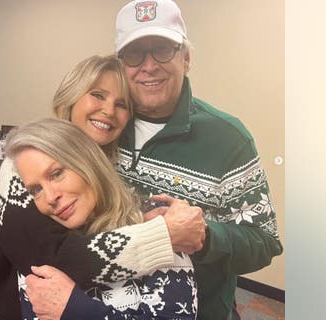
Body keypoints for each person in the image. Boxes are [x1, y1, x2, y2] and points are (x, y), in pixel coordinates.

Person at [25, 1, 283, 319]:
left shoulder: (228, 138)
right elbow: (41, 168)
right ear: (121, 65)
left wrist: (204, 235)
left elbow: (264, 242)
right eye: (135, 54)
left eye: (162, 49)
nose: (148, 66)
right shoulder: (103, 126)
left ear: (186, 58)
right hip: (102, 305)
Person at [0, 55, 206, 320]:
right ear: (72, 96)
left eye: (121, 104)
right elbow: (46, 259)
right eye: (98, 95)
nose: (108, 111)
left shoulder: (117, 171)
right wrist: (161, 236)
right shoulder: (26, 154)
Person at [8, 118, 198, 319]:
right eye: (36, 189)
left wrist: (76, 309)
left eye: (56, 174)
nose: (50, 197)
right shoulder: (38, 245)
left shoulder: (158, 227)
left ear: (87, 162)